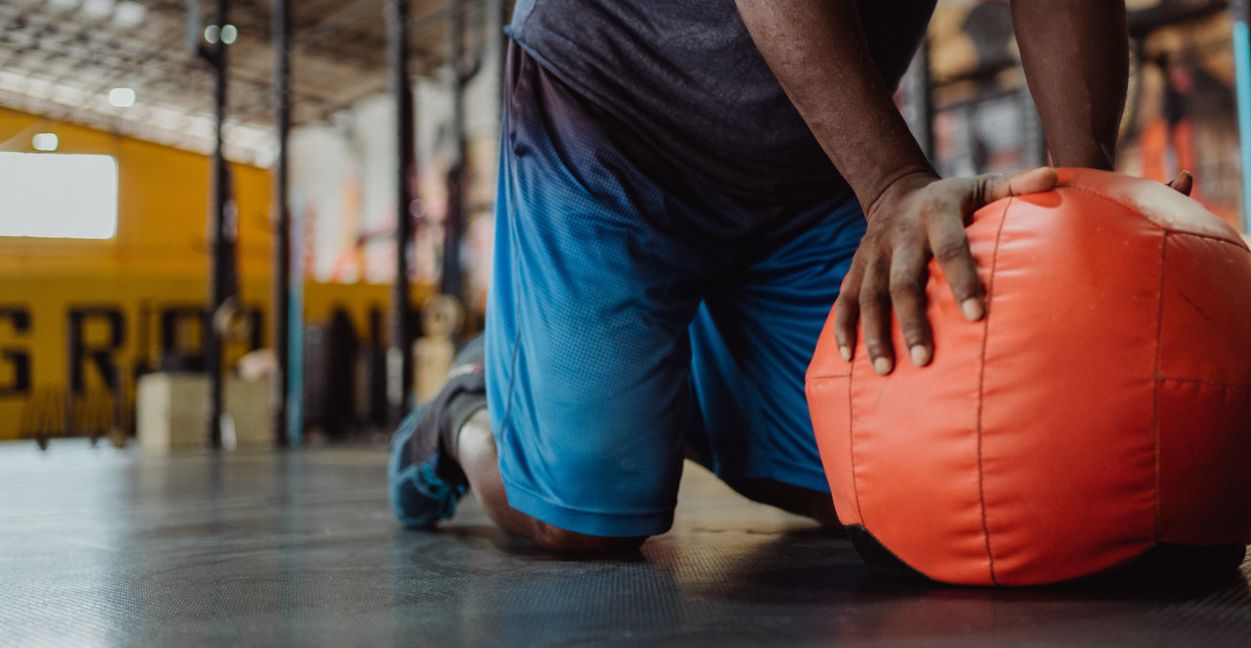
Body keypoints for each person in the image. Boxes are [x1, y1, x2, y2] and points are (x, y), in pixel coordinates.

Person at [390, 0, 1192, 553]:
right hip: (611, 116)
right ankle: (469, 403)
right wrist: (893, 186)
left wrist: (1088, 199)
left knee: (890, 492)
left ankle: (662, 364)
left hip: (801, 162)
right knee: (584, 523)